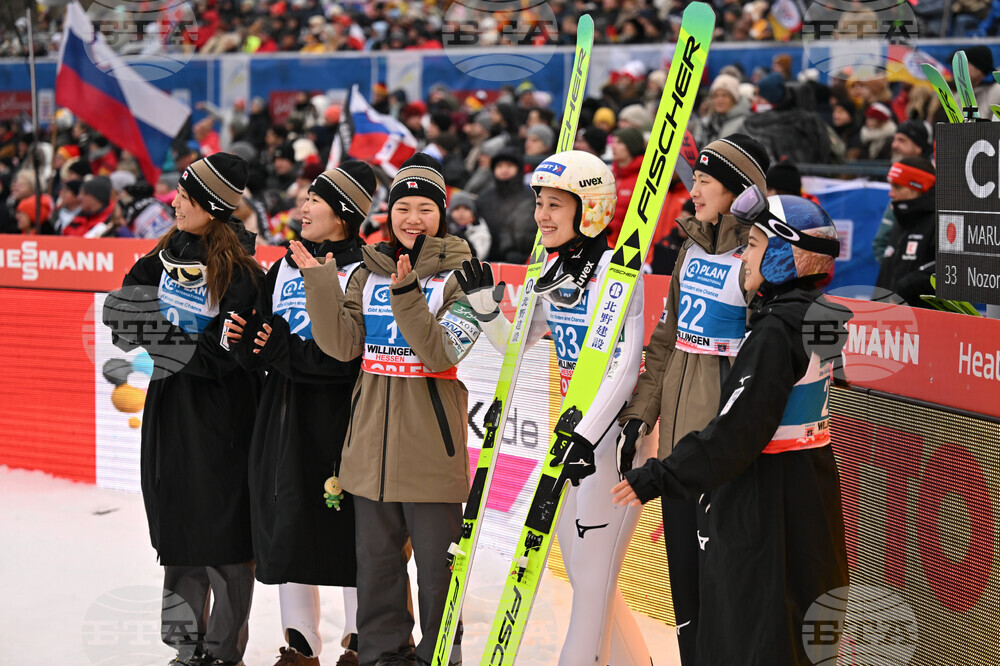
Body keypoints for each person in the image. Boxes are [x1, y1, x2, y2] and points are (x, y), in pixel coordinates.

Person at [612, 192, 850, 666]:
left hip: (766, 502)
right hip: (811, 491)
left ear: (785, 257)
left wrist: (657, 476)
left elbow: (736, 432)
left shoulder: (774, 331)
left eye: (756, 245)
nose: (744, 257)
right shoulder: (819, 315)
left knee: (753, 636)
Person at [457, 150, 651, 666]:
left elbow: (625, 369)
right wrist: (484, 309)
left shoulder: (619, 270)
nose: (541, 215)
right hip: (572, 440)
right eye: (539, 203)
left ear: (589, 208)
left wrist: (584, 437)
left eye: (555, 205)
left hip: (607, 446)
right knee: (590, 576)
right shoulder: (553, 272)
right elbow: (516, 346)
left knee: (590, 582)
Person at [298, 153, 479, 666]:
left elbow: (441, 351)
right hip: (368, 451)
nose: (413, 218)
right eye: (404, 207)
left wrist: (406, 295)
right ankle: (381, 655)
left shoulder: (461, 278)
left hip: (431, 452)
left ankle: (441, 656)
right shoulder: (368, 271)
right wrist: (320, 284)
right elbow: (342, 345)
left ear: (442, 214)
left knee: (437, 573)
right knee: (376, 568)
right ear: (389, 213)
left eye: (425, 207)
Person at [102, 152, 263, 666]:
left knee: (224, 538)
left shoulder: (242, 273)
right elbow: (122, 324)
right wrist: (172, 339)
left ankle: (222, 652)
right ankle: (183, 649)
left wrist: (159, 335)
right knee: (177, 532)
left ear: (213, 207)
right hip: (170, 411)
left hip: (225, 418)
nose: (175, 202)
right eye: (179, 192)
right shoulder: (159, 258)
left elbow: (221, 358)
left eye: (188, 198)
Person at [615, 134, 770, 666]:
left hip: (724, 453)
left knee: (727, 593)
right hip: (678, 453)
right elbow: (666, 339)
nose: (694, 189)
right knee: (687, 593)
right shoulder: (691, 245)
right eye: (696, 178)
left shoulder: (759, 256)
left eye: (705, 181)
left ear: (737, 191)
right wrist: (640, 415)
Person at [224, 161, 377, 666]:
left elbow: (348, 355)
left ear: (346, 214)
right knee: (287, 520)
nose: (304, 206)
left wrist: (279, 350)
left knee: (349, 529)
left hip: (341, 417)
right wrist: (244, 341)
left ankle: (359, 642)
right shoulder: (285, 264)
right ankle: (299, 644)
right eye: (307, 196)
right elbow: (263, 336)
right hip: (283, 412)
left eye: (317, 199)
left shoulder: (364, 269)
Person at [875, 157, 936, 307]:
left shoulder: (940, 222)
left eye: (897, 186)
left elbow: (946, 270)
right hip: (889, 320)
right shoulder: (902, 219)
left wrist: (905, 287)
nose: (891, 193)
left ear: (917, 187)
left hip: (923, 322)